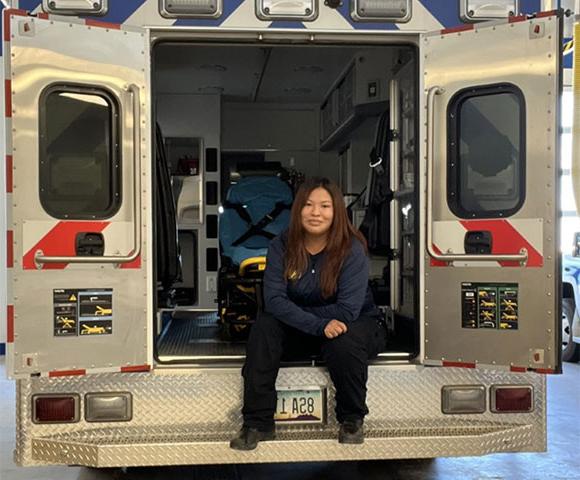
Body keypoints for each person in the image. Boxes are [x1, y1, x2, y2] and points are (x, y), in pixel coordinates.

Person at [230, 177, 387, 451]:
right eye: (308, 205)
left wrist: (315, 322)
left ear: (337, 211)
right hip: (311, 326)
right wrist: (317, 324)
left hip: (355, 323)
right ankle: (257, 423)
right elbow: (275, 301)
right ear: (298, 209)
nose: (316, 213)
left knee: (343, 340)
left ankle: (352, 419)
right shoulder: (281, 245)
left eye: (325, 206)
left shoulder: (352, 248)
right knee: (264, 327)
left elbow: (347, 309)